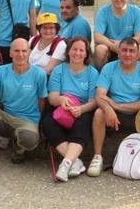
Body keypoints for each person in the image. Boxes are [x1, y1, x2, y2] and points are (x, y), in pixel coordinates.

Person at [86, 38, 140, 178]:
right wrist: (109, 109)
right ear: (118, 52)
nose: (128, 54)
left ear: (138, 54)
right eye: (124, 50)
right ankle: (97, 157)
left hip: (137, 115)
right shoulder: (109, 68)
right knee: (99, 113)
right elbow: (99, 95)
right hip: (113, 115)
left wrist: (117, 105)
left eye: (132, 51)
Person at [0, 38, 47, 164]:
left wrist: (40, 125)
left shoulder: (39, 74)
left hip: (27, 121)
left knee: (29, 139)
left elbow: (41, 101)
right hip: (5, 118)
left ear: (29, 52)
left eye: (24, 51)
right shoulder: (0, 70)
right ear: (10, 53)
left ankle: (18, 150)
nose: (20, 55)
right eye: (16, 51)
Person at [41, 37, 99, 182]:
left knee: (82, 123)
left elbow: (94, 101)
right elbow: (52, 97)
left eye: (81, 50)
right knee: (48, 123)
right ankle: (75, 161)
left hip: (82, 109)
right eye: (74, 49)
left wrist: (81, 109)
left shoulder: (92, 73)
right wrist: (61, 100)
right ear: (68, 51)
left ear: (86, 54)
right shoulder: (59, 70)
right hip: (63, 109)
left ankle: (65, 165)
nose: (77, 53)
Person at [94, 0, 140, 70]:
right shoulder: (103, 11)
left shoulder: (136, 11)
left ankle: (135, 77)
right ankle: (101, 78)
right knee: (100, 49)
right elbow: (97, 36)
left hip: (128, 46)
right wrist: (112, 45)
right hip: (109, 46)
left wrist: (121, 44)